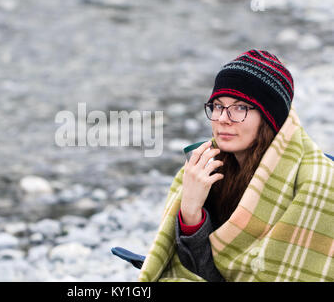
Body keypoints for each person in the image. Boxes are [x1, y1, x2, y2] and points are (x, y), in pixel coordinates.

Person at [138, 49, 334, 282]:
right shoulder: (206, 168)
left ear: (269, 117)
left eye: (240, 107)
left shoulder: (318, 184)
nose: (222, 118)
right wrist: (191, 210)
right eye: (218, 106)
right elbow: (204, 273)